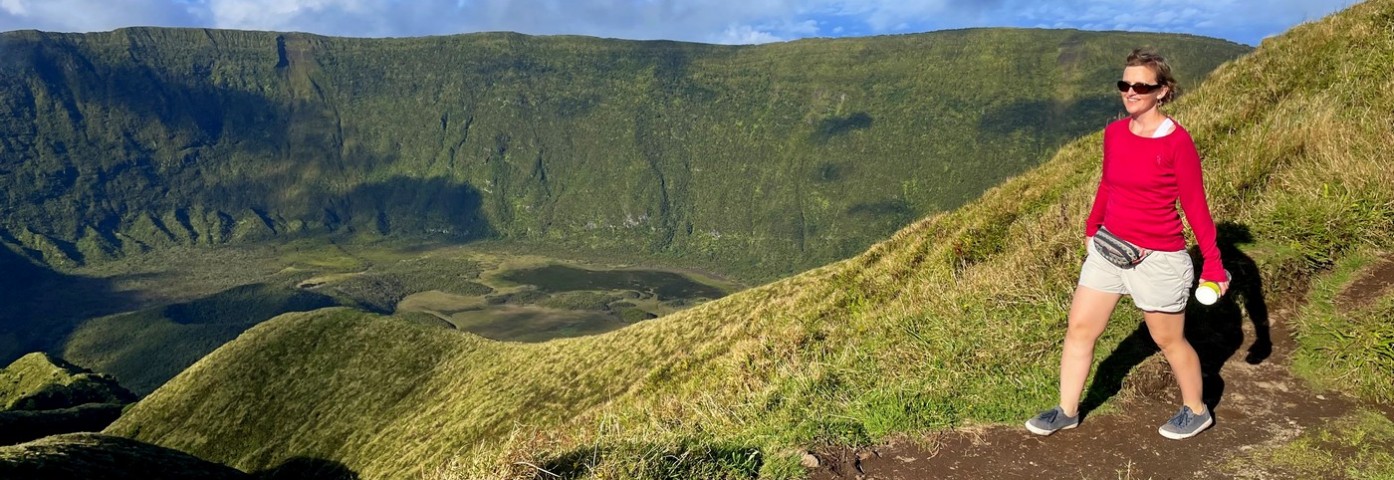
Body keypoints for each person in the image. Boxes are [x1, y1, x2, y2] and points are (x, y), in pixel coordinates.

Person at [1025, 48, 1229, 440]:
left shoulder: (1177, 142)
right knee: (1080, 329)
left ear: (1163, 91)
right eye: (1125, 84)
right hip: (1109, 249)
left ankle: (1197, 409)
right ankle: (1067, 410)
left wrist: (1214, 267)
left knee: (1168, 340)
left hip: (1158, 258)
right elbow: (1108, 183)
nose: (1131, 92)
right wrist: (1091, 226)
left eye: (1141, 85)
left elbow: (1196, 209)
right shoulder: (1115, 132)